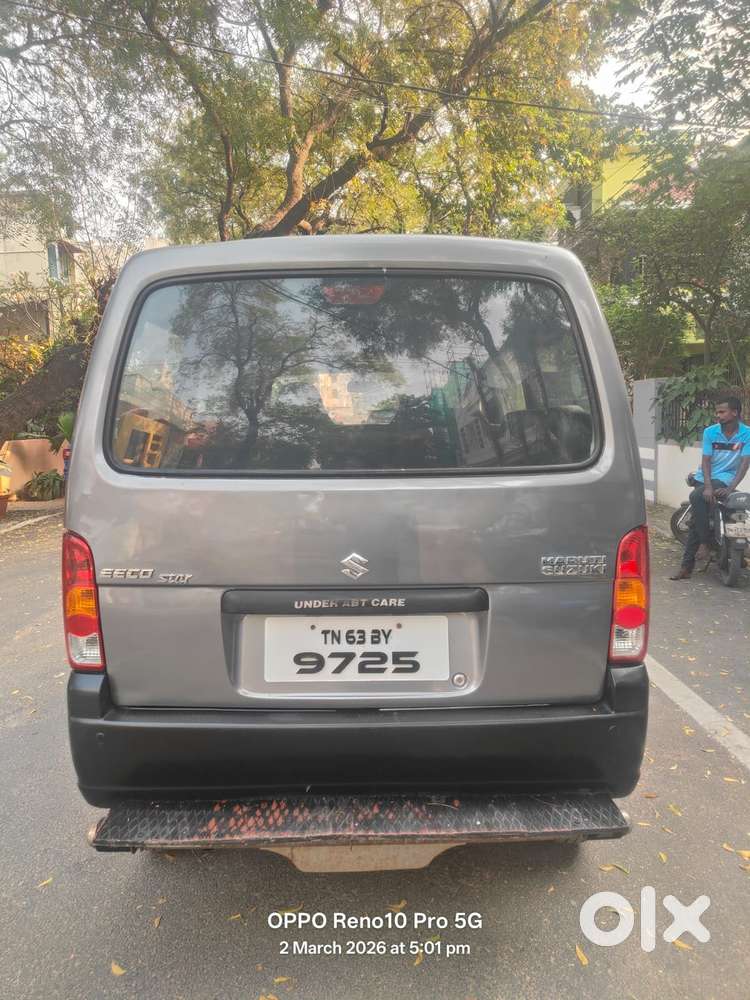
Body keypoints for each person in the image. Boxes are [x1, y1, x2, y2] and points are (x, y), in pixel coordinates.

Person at [670, 395, 750, 580]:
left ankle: (693, 561)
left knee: (712, 506)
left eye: (722, 412)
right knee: (699, 500)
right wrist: (707, 486)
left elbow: (745, 464)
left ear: (735, 412)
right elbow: (705, 461)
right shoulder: (710, 432)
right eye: (717, 412)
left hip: (726, 478)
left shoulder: (747, 433)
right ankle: (703, 547)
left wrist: (730, 488)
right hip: (705, 477)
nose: (718, 415)